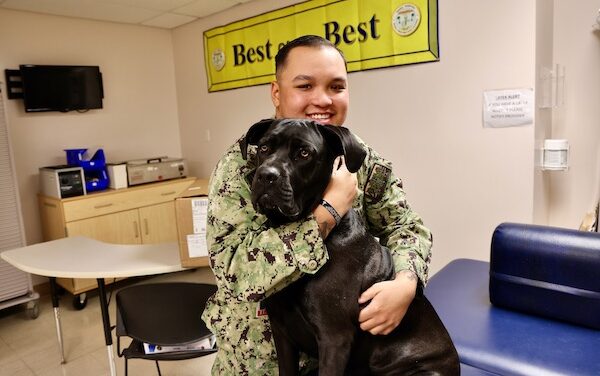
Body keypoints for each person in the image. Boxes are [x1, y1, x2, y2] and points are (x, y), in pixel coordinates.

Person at [202, 35, 433, 375]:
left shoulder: (359, 157)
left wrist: (406, 283)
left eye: (336, 87)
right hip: (262, 360)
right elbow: (235, 270)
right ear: (277, 93)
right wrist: (327, 213)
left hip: (348, 356)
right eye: (305, 85)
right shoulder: (245, 166)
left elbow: (405, 226)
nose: (322, 99)